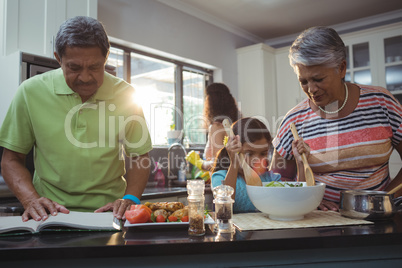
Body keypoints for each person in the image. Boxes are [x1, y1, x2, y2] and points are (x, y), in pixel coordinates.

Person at [0, 16, 152, 222]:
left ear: (106, 58)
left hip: (110, 215)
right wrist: (31, 200)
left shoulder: (126, 94)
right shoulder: (29, 92)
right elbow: (11, 159)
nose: (85, 77)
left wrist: (131, 198)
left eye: (94, 67)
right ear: (58, 58)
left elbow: (139, 156)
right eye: (74, 68)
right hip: (49, 214)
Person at [271, 26, 402, 211]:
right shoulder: (294, 120)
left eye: (318, 79)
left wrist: (383, 200)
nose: (311, 89)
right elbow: (276, 180)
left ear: (341, 68)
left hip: (377, 218)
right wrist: (307, 199)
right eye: (304, 81)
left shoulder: (382, 103)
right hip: (317, 221)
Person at [211, 117, 308, 213]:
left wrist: (301, 163)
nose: (257, 160)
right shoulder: (220, 177)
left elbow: (296, 202)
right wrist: (234, 163)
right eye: (249, 153)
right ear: (233, 151)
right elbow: (224, 209)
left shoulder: (271, 179)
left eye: (263, 153)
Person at [186, 83, 242, 174]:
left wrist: (200, 163)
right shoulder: (237, 125)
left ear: (210, 102)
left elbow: (219, 164)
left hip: (221, 183)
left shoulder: (216, 127)